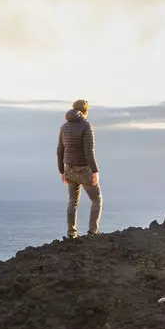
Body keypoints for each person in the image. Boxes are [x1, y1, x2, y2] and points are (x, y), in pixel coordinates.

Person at [57, 99, 101, 238]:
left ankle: (71, 233)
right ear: (85, 111)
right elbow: (89, 152)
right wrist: (95, 171)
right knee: (97, 200)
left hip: (69, 169)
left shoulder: (64, 127)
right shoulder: (86, 126)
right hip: (84, 170)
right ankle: (93, 232)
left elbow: (60, 150)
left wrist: (62, 171)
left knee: (72, 202)